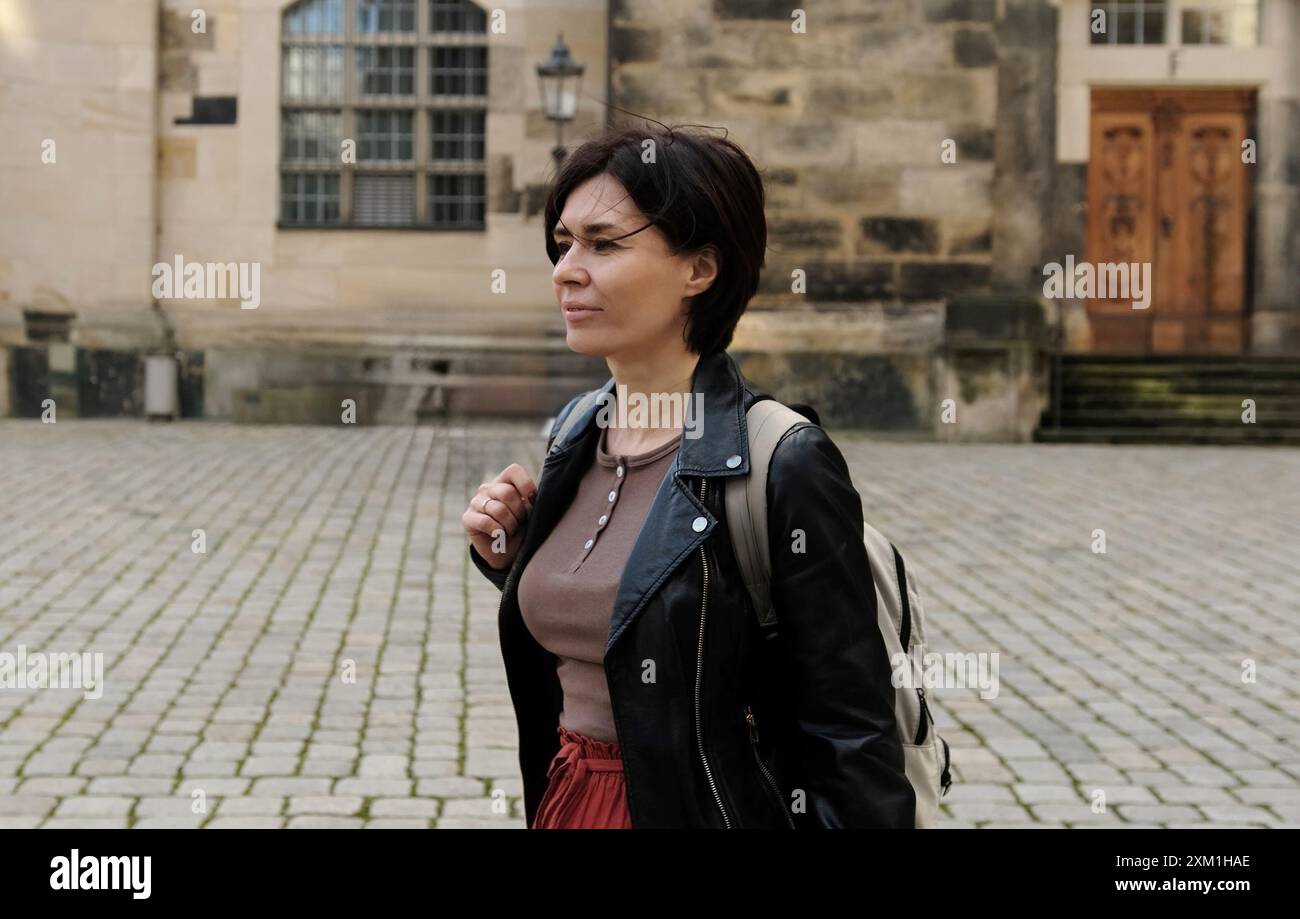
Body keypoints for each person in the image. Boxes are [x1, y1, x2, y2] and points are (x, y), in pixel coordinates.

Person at [461, 123, 915, 829]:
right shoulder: (575, 432)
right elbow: (636, 610)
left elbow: (853, 741)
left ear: (699, 269)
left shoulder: (784, 460)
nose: (566, 269)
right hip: (569, 800)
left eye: (604, 243)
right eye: (563, 243)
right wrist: (517, 557)